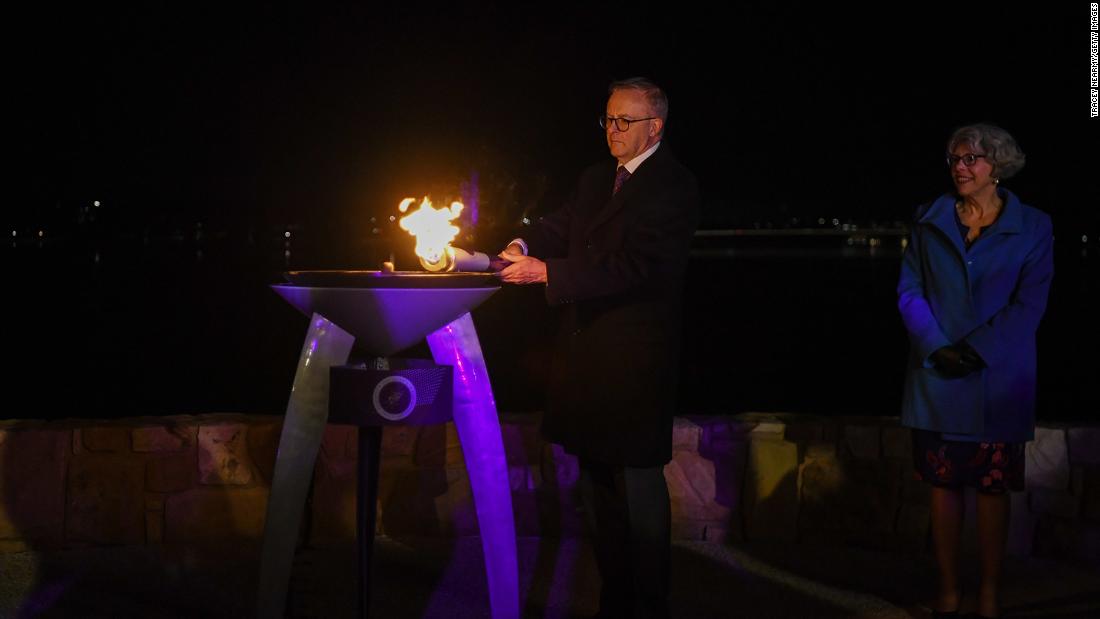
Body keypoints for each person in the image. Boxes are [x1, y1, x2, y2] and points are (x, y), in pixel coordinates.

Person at [498, 77, 699, 619]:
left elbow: (636, 268)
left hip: (634, 365)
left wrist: (549, 273)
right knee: (597, 493)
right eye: (608, 119)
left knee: (636, 490)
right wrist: (524, 243)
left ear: (654, 126)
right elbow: (558, 226)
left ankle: (650, 605)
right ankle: (616, 603)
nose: (612, 130)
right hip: (586, 362)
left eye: (623, 121)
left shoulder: (674, 187)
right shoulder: (595, 179)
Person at [897, 123, 1053, 619]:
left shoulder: (1034, 227)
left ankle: (987, 593)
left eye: (972, 159)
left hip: (997, 381)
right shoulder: (928, 220)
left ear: (998, 166)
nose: (960, 167)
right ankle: (948, 591)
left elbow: (1030, 303)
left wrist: (978, 350)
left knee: (991, 489)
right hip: (937, 377)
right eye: (954, 159)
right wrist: (936, 347)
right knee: (943, 488)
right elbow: (909, 290)